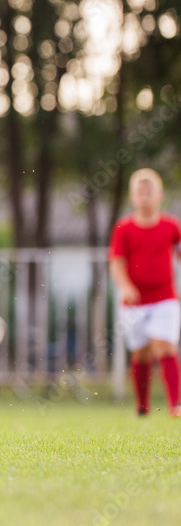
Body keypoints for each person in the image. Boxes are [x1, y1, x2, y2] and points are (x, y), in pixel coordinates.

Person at [109, 168, 181, 418]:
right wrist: (126, 286)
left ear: (160, 194)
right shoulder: (124, 228)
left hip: (165, 298)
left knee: (164, 345)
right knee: (141, 351)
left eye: (150, 190)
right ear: (132, 196)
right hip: (135, 302)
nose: (145, 195)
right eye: (140, 191)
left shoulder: (171, 226)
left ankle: (175, 405)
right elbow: (117, 262)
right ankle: (142, 407)